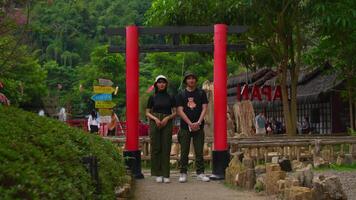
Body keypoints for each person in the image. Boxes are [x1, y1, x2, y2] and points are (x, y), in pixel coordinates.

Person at [176, 71, 210, 183]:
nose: (191, 80)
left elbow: (205, 108)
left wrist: (199, 122)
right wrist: (190, 123)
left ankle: (200, 173)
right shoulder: (181, 94)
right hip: (185, 126)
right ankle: (183, 173)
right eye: (189, 78)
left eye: (193, 78)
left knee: (199, 150)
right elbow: (179, 110)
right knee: (184, 150)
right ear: (185, 81)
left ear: (195, 80)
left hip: (199, 126)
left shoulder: (201, 93)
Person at [146, 75, 176, 183]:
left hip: (167, 121)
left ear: (166, 84)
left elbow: (175, 112)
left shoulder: (171, 97)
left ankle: (166, 174)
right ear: (156, 84)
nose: (161, 84)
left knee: (166, 147)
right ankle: (157, 173)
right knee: (156, 147)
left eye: (163, 82)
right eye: (159, 82)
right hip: (155, 122)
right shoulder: (152, 97)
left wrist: (167, 118)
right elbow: (147, 112)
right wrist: (155, 119)